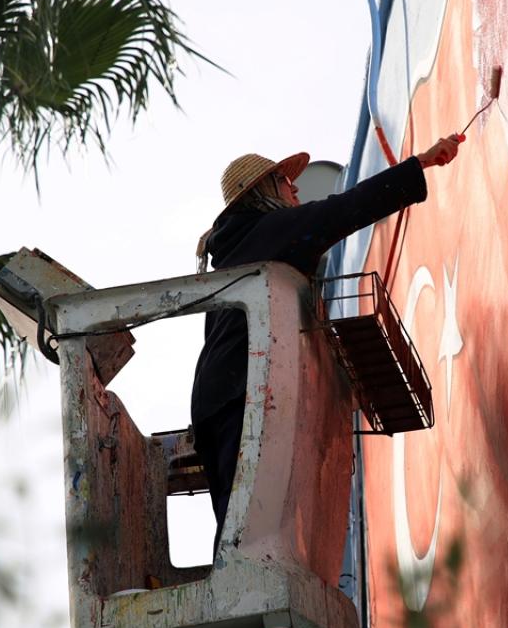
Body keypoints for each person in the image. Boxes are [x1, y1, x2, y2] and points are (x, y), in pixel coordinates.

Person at [191, 134, 464, 552]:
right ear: (264, 193)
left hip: (217, 401)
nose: (296, 189)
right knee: (248, 534)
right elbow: (345, 208)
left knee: (238, 526)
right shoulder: (270, 231)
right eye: (285, 181)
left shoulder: (235, 254)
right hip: (241, 394)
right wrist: (420, 164)